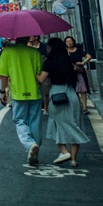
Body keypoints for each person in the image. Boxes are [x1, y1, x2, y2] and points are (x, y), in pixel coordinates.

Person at [38, 37, 89, 168]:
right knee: (74, 123)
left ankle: (64, 152)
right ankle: (73, 160)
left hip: (56, 94)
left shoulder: (49, 62)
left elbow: (41, 79)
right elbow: (79, 71)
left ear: (51, 48)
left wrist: (34, 72)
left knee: (56, 123)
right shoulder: (68, 60)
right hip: (71, 94)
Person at [0, 36, 44, 165]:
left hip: (18, 93)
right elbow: (40, 73)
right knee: (35, 120)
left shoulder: (7, 52)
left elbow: (4, 75)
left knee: (19, 120)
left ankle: (30, 145)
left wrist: (3, 92)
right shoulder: (35, 52)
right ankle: (35, 147)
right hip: (35, 92)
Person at [64, 36, 92, 113]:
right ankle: (77, 106)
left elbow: (89, 56)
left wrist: (83, 62)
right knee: (74, 91)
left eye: (70, 41)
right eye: (67, 41)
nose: (69, 43)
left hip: (79, 72)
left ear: (73, 41)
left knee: (83, 90)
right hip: (70, 73)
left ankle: (85, 107)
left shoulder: (79, 50)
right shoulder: (65, 51)